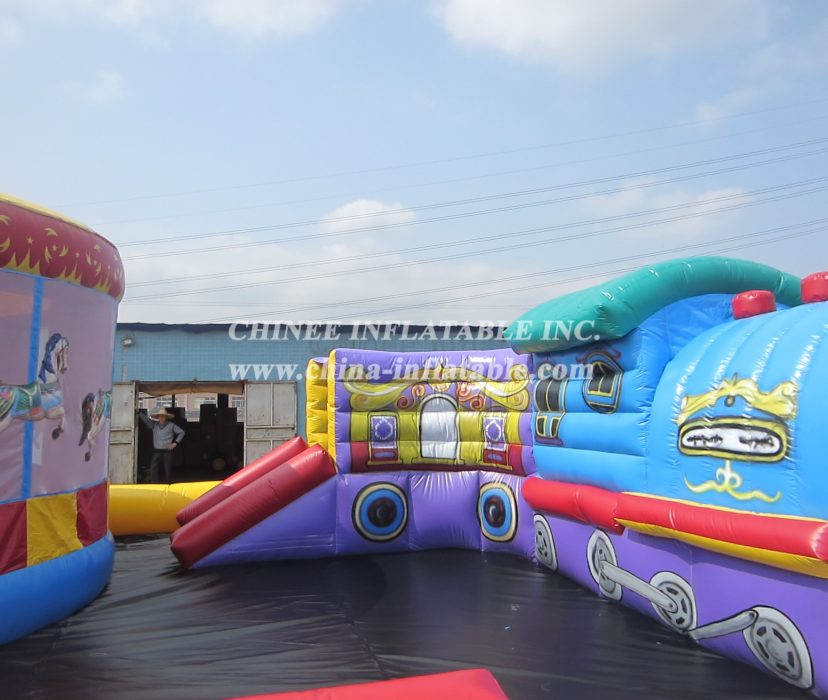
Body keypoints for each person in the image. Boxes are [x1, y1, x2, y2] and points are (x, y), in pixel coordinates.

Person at [137, 408, 185, 483]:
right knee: (153, 468)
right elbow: (146, 420)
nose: (161, 418)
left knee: (167, 469)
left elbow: (181, 432)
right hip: (157, 451)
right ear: (158, 417)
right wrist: (139, 413)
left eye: (163, 416)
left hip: (167, 451)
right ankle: (155, 483)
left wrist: (175, 443)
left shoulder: (171, 425)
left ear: (166, 417)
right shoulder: (154, 425)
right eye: (160, 416)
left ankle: (168, 484)